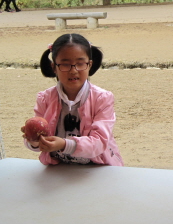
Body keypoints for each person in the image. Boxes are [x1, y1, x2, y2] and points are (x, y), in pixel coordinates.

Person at [22, 33, 123, 166]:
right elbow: (39, 138)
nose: (73, 70)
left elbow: (99, 142)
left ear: (89, 65)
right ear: (54, 67)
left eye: (80, 63)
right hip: (61, 169)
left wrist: (64, 144)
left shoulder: (102, 98)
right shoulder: (45, 98)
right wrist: (34, 141)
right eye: (65, 65)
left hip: (98, 168)